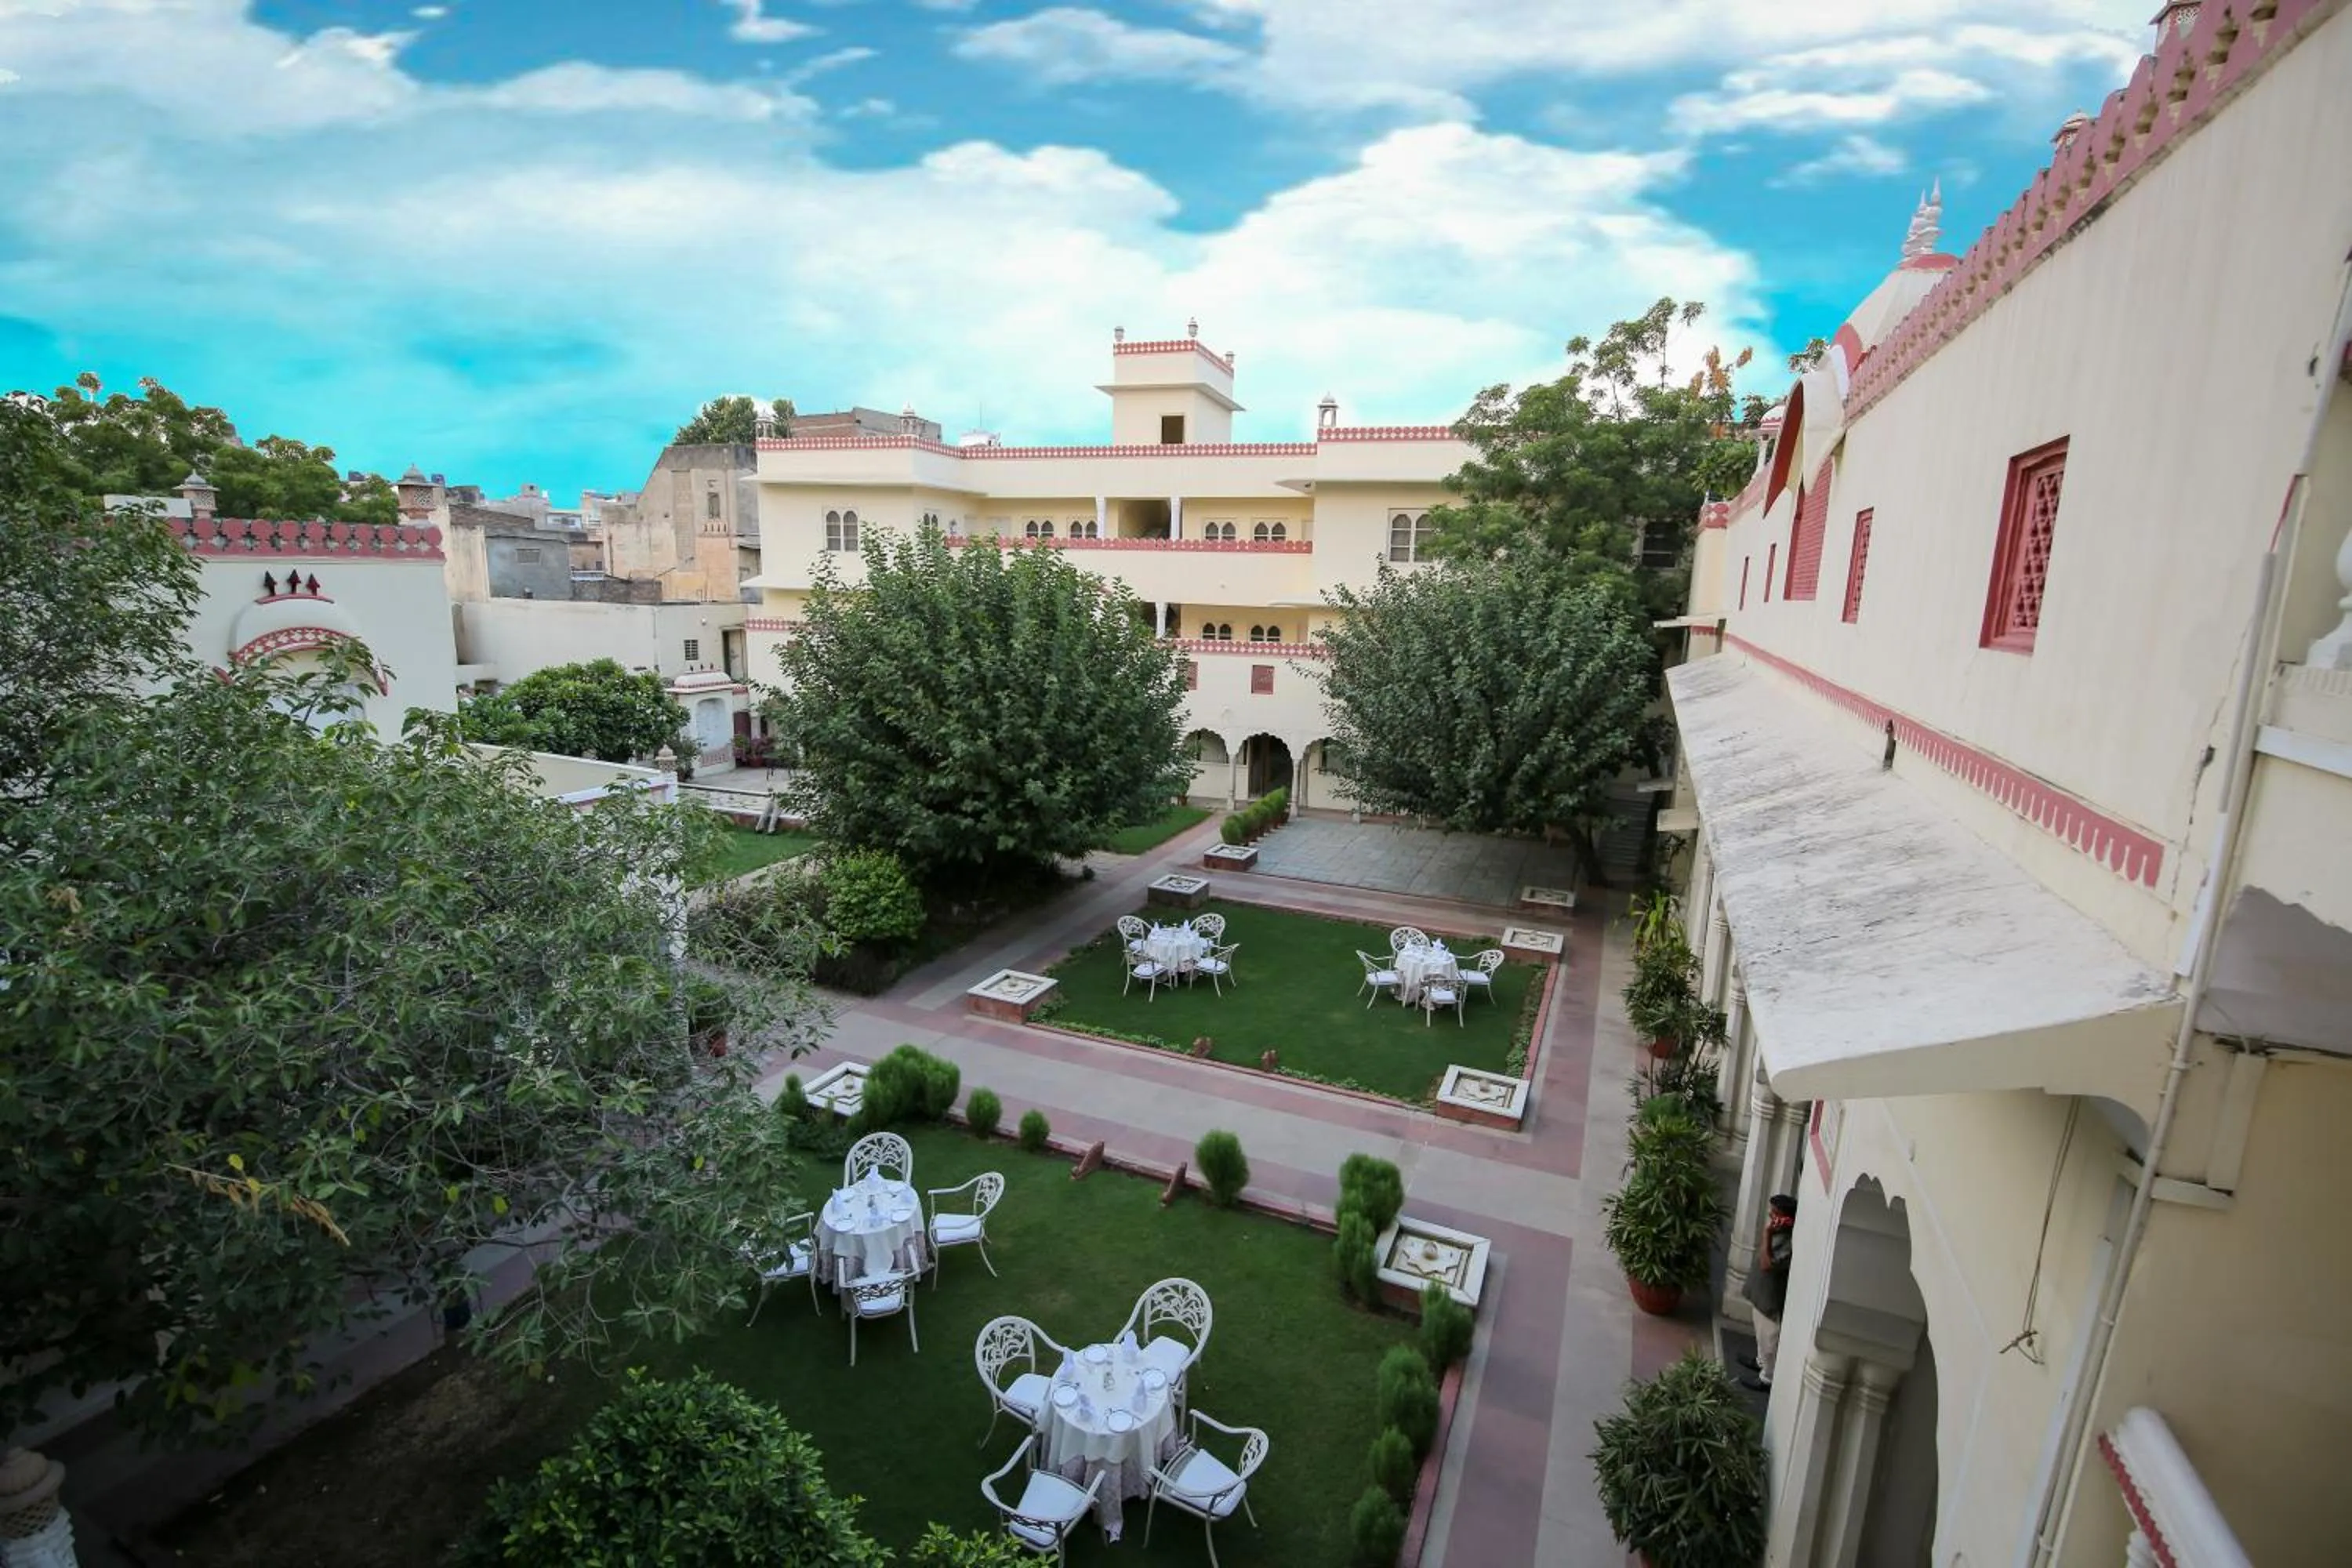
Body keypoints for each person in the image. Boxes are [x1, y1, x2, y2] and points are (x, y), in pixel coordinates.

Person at [1740, 1193, 1797, 1392]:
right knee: (1760, 1335)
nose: (1772, 1218)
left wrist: (1767, 1234)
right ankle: (1760, 1361)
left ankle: (1767, 1377)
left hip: (1772, 1301)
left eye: (1776, 1214)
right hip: (1761, 1295)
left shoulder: (1789, 1242)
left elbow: (1766, 1264)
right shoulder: (1778, 1232)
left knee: (1769, 1340)